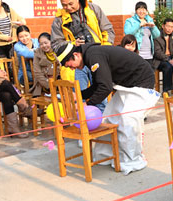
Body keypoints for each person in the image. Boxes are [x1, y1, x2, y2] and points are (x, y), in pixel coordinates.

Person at [55, 41, 158, 175]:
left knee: (128, 119)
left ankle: (133, 160)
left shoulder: (93, 55)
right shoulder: (90, 56)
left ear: (75, 55)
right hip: (127, 85)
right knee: (110, 116)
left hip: (141, 82)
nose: (71, 68)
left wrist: (88, 104)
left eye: (70, 65)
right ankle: (107, 155)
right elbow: (99, 84)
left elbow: (105, 87)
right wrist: (79, 95)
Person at [50, 0, 115, 48]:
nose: (68, 7)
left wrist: (105, 47)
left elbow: (108, 30)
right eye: (64, 5)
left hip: (99, 49)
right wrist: (72, 44)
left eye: (71, 3)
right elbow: (56, 43)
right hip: (76, 56)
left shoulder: (93, 8)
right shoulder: (59, 19)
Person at [124, 1, 160, 88]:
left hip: (149, 55)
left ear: (146, 11)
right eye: (139, 9)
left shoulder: (149, 20)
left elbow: (157, 35)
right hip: (137, 53)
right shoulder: (130, 21)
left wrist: (153, 26)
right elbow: (128, 33)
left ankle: (148, 96)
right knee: (137, 77)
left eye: (144, 9)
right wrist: (139, 25)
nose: (142, 11)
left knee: (149, 77)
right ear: (136, 11)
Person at [152, 18, 173, 96]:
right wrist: (169, 60)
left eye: (171, 27)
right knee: (168, 67)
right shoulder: (157, 36)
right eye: (168, 26)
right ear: (163, 26)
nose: (169, 29)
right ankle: (166, 90)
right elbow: (157, 52)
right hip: (160, 60)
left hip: (172, 58)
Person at [31, 32, 57, 97]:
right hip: (43, 84)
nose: (44, 46)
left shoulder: (57, 50)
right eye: (41, 44)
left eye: (46, 43)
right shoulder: (37, 53)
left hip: (57, 82)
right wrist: (48, 85)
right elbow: (37, 72)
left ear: (51, 41)